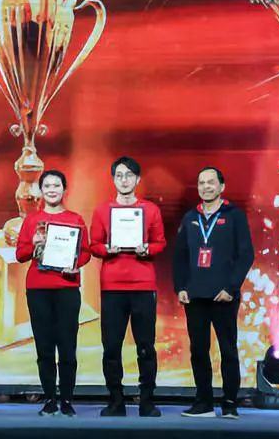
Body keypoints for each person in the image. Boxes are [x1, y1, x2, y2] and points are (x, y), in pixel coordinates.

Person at [173, 166, 254, 419]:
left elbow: (246, 255)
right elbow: (179, 256)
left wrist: (231, 288)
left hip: (224, 296)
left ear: (221, 187)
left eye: (210, 182)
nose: (205, 187)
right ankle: (204, 403)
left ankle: (229, 403)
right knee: (198, 351)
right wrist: (181, 287)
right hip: (195, 296)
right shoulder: (190, 218)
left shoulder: (234, 216)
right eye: (201, 183)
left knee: (228, 351)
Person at [90, 157, 166, 417]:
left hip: (143, 285)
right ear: (113, 179)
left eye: (129, 175)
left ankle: (147, 401)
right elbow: (94, 245)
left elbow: (160, 243)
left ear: (138, 179)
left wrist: (148, 249)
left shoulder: (150, 210)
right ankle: (116, 401)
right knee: (111, 347)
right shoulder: (102, 210)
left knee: (146, 347)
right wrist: (106, 249)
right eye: (119, 175)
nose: (124, 180)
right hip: (112, 287)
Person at [16, 170, 91, 417]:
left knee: (67, 347)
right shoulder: (32, 220)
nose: (51, 190)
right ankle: (49, 399)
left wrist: (76, 264)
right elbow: (20, 255)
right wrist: (34, 244)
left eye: (56, 185)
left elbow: (85, 251)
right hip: (38, 289)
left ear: (64, 190)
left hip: (67, 288)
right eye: (47, 185)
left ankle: (67, 400)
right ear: (41, 190)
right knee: (45, 348)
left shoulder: (75, 219)